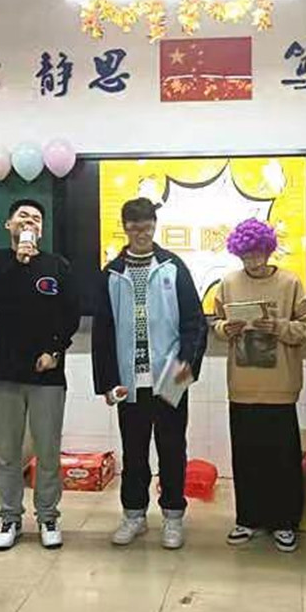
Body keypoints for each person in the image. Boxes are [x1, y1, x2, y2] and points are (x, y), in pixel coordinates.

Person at [92, 197, 207, 550]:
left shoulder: (173, 267)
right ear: (124, 228)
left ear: (155, 226)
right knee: (134, 451)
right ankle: (134, 515)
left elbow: (195, 323)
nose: (141, 233)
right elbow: (102, 333)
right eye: (134, 227)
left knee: (172, 449)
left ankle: (173, 516)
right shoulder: (112, 273)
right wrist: (107, 383)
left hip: (170, 377)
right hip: (130, 381)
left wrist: (185, 368)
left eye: (147, 226)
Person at [0, 198, 80, 551]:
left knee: (48, 451)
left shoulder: (57, 265)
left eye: (36, 218)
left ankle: (48, 517)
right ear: (9, 224)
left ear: (42, 228)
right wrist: (19, 263)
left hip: (46, 374)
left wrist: (55, 351)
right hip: (4, 371)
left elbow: (71, 314)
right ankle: (10, 518)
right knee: (7, 452)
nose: (30, 222)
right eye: (23, 216)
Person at [213, 219, 306, 553]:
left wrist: (280, 327)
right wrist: (225, 329)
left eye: (257, 254)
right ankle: (247, 519)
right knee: (246, 457)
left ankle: (285, 523)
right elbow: (216, 323)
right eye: (245, 255)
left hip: (280, 387)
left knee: (282, 459)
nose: (252, 261)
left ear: (269, 250)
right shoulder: (228, 283)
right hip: (242, 386)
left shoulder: (290, 282)